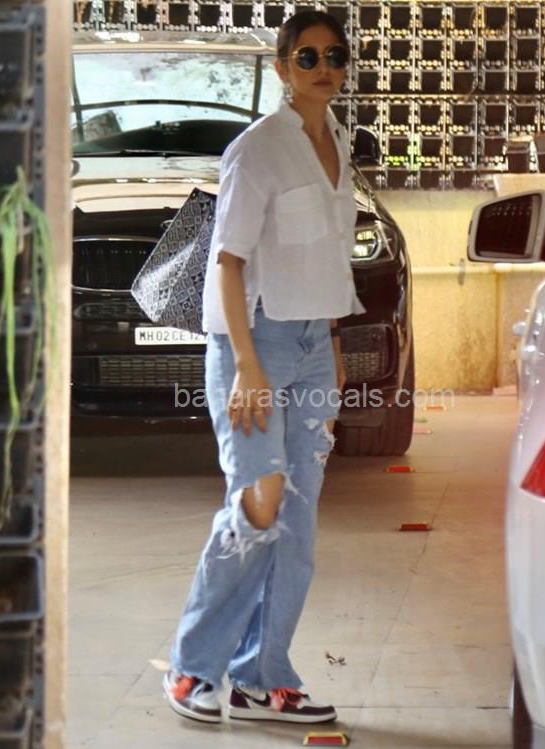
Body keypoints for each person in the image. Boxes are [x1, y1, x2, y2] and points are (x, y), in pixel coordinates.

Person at [163, 10, 365, 726]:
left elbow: (327, 263)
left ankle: (262, 677)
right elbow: (227, 263)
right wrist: (248, 365)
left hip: (312, 347)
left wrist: (332, 352)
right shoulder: (256, 151)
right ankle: (192, 667)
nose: (323, 68)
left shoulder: (337, 141)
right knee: (260, 504)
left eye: (334, 55)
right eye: (307, 56)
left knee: (298, 520)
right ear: (282, 68)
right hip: (253, 345)